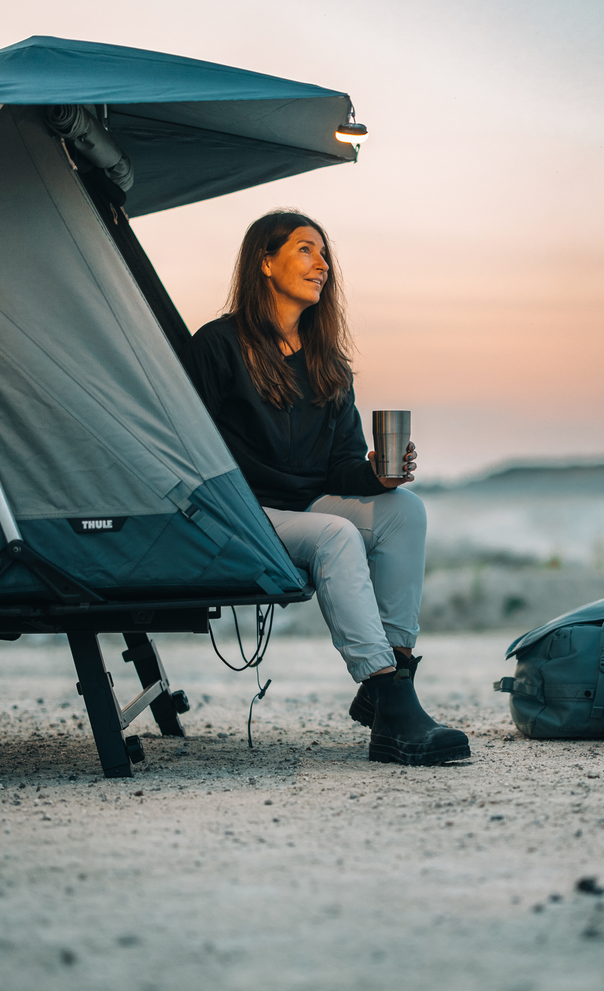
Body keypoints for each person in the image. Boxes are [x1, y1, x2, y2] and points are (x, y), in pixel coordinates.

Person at [181, 210, 470, 766]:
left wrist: (378, 477)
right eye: (306, 250)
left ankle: (394, 681)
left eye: (324, 254)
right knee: (336, 534)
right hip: (242, 514)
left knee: (405, 511)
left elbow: (341, 465)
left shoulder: (326, 360)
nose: (323, 264)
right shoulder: (218, 345)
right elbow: (186, 445)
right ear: (265, 262)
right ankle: (389, 695)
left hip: (308, 506)